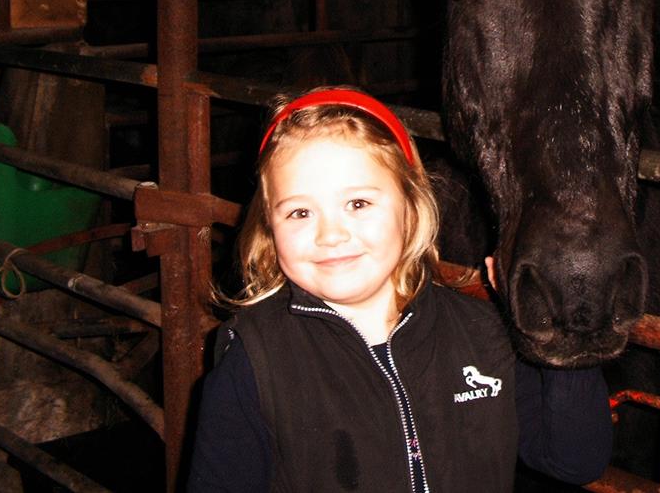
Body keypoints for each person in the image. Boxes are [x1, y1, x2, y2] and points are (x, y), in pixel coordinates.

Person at [187, 87, 613, 492]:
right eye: (300, 212)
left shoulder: (483, 333)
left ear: (411, 209)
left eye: (358, 204)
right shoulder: (255, 357)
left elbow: (572, 460)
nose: (330, 234)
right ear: (269, 228)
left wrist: (549, 322)